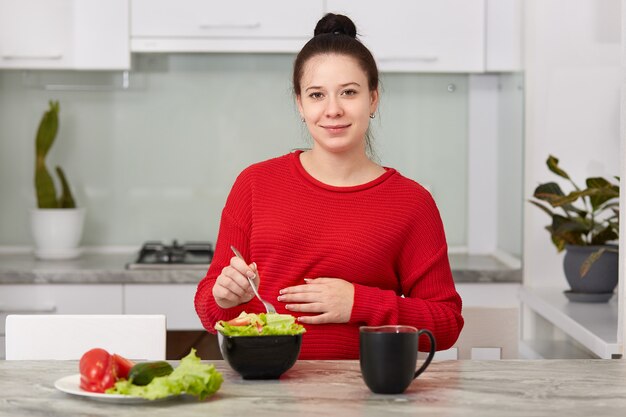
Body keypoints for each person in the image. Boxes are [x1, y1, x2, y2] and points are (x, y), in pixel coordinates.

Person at [195, 13, 464, 359]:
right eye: (317, 95)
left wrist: (358, 302)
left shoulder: (412, 203)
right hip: (268, 391)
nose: (333, 110)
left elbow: (445, 325)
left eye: (349, 92)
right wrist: (224, 297)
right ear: (300, 104)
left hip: (368, 396)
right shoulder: (254, 184)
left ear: (373, 99)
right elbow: (210, 310)